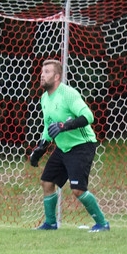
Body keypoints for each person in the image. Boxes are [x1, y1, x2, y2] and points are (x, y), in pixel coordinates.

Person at [28, 59, 109, 232]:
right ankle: (50, 223)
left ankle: (102, 223)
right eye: (42, 72)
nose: (42, 75)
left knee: (78, 190)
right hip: (63, 148)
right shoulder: (44, 98)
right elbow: (48, 126)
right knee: (47, 182)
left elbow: (88, 116)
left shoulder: (68, 94)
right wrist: (41, 147)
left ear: (57, 76)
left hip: (82, 145)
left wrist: (64, 126)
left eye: (47, 72)